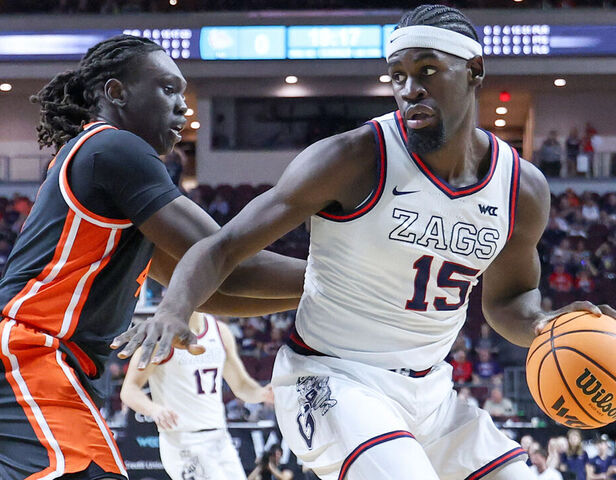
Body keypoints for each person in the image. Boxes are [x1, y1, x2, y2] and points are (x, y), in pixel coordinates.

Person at [114, 5, 616, 480]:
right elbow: (224, 246)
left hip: (432, 393)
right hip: (331, 379)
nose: (409, 89)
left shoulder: (521, 189)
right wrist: (175, 308)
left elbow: (508, 300)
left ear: (474, 70)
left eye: (426, 71)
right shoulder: (354, 157)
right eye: (397, 76)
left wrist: (544, 324)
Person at [0, 34, 305, 480]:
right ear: (116, 92)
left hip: (30, 360)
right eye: (168, 89)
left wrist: (316, 297)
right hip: (31, 353)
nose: (183, 106)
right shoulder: (115, 148)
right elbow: (229, 257)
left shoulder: (107, 166)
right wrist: (354, 281)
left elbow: (212, 286)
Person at [120, 312, 272, 480]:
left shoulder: (220, 332)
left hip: (220, 437)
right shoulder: (161, 337)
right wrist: (153, 409)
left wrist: (263, 393)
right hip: (183, 440)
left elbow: (241, 385)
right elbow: (129, 389)